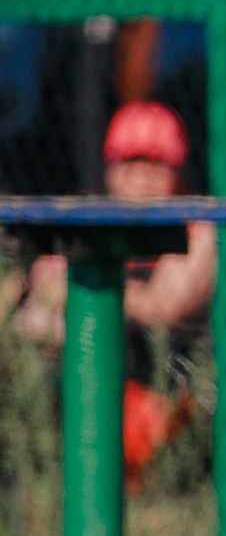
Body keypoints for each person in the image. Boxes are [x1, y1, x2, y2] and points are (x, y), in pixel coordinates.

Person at [7, 101, 213, 484]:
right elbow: (38, 285)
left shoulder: (196, 224)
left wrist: (84, 285)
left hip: (160, 376)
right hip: (75, 365)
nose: (142, 177)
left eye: (155, 164)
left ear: (177, 170)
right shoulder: (87, 214)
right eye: (130, 162)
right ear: (110, 168)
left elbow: (164, 306)